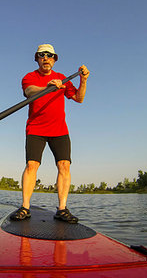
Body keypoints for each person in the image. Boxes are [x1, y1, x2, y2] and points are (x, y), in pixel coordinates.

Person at [11, 44, 90, 223]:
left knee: (64, 165)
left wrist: (83, 80)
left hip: (59, 129)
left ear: (54, 59)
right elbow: (29, 91)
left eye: (50, 55)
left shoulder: (62, 79)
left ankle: (62, 209)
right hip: (36, 128)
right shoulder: (29, 77)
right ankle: (25, 207)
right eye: (41, 55)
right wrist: (46, 87)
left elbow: (79, 98)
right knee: (32, 165)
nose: (46, 58)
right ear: (37, 58)